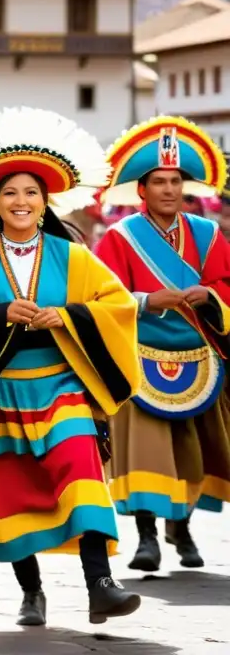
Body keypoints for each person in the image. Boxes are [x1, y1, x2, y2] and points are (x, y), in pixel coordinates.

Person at [0, 107, 143, 627]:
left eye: (31, 193)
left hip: (61, 386)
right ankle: (31, 591)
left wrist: (66, 316)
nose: (22, 202)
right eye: (10, 194)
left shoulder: (76, 258)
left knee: (82, 469)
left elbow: (119, 306)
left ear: (46, 202)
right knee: (10, 492)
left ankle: (101, 584)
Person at [95, 116, 230, 571]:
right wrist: (148, 300)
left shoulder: (209, 235)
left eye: (175, 181)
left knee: (191, 450)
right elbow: (101, 296)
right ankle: (147, 536)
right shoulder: (119, 238)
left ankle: (182, 526)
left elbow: (226, 284)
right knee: (144, 450)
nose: (169, 189)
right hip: (139, 356)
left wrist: (209, 295)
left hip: (199, 356)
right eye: (158, 182)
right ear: (142, 189)